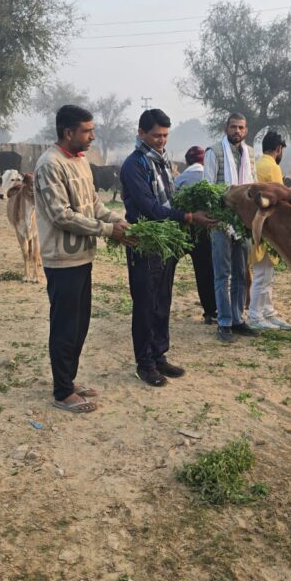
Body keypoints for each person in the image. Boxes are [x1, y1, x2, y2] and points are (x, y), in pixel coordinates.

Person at [34, 104, 130, 414]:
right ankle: (62, 391)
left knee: (79, 325)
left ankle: (69, 379)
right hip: (62, 259)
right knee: (64, 326)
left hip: (83, 256)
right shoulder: (50, 165)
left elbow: (94, 204)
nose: (92, 136)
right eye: (87, 131)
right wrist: (106, 230)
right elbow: (62, 216)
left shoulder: (81, 161)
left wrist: (119, 221)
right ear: (68, 132)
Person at [120, 109, 216, 386]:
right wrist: (187, 217)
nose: (161, 140)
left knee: (162, 301)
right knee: (146, 304)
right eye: (156, 135)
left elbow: (170, 199)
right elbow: (149, 207)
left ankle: (159, 355)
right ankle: (145, 363)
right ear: (141, 133)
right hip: (145, 241)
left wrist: (189, 209)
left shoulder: (160, 162)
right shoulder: (134, 165)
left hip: (166, 242)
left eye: (164, 135)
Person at [203, 112, 256, 342]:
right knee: (222, 274)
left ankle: (237, 319)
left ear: (246, 130)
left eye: (241, 128)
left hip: (243, 220)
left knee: (241, 273)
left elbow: (251, 185)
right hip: (221, 221)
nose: (237, 131)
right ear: (226, 129)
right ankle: (224, 322)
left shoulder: (249, 153)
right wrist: (219, 215)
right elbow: (208, 188)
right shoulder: (214, 152)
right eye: (234, 127)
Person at [247, 131, 291, 331]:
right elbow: (281, 197)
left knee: (265, 272)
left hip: (254, 223)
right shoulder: (272, 167)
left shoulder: (256, 164)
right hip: (267, 226)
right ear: (278, 149)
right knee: (263, 274)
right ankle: (255, 315)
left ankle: (268, 311)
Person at [174, 146, 218, 325]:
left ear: (187, 161)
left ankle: (159, 304)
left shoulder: (180, 179)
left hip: (183, 229)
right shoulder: (209, 178)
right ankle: (210, 312)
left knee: (168, 267)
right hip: (205, 231)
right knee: (205, 272)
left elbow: (173, 203)